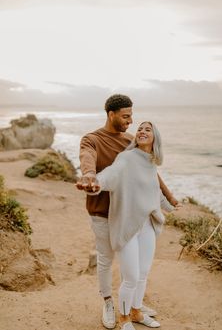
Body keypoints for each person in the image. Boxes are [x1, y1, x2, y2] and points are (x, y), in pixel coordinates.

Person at [76, 94, 178, 329]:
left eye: (132, 116)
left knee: (133, 269)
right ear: (111, 115)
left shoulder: (131, 141)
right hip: (102, 210)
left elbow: (149, 169)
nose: (130, 121)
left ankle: (132, 306)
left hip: (129, 212)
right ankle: (109, 302)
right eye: (125, 116)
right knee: (105, 260)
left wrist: (169, 196)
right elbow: (87, 157)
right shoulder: (92, 139)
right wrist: (89, 175)